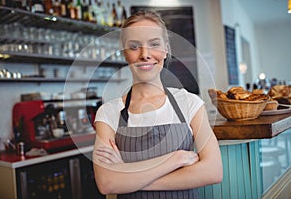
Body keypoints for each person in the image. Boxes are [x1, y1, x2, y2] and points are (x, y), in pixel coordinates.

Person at [92, 10, 223, 198]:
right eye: (134, 46)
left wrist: (127, 177)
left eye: (154, 44)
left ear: (165, 49)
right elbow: (107, 183)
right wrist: (174, 159)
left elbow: (213, 171)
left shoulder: (189, 103)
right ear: (124, 53)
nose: (145, 55)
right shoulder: (109, 113)